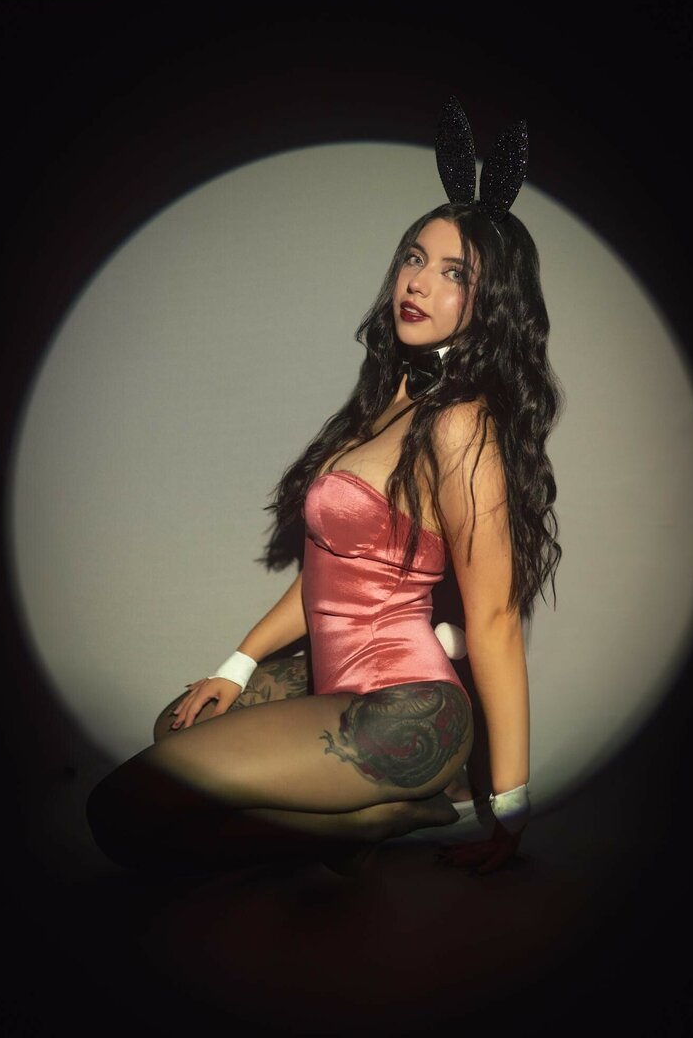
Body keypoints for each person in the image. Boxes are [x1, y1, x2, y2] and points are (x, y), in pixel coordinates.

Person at [86, 98, 562, 878]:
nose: (418, 283)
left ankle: (390, 810)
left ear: (491, 304)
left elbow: (496, 621)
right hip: (338, 685)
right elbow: (327, 573)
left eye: (454, 274)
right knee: (176, 729)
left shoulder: (461, 425)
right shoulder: (388, 400)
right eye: (414, 258)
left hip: (410, 711)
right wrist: (237, 665)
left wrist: (509, 809)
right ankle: (367, 821)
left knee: (121, 812)